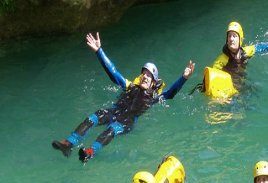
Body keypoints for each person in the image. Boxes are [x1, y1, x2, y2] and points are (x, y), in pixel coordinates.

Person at [52, 32, 195, 162]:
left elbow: (170, 93)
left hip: (126, 122)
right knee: (95, 116)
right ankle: (68, 144)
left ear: (153, 81)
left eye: (149, 75)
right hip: (114, 112)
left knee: (112, 129)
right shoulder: (129, 86)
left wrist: (184, 77)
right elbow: (113, 71)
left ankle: (89, 152)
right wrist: (99, 51)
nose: (145, 76)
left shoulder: (153, 97)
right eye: (143, 73)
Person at [212, 21, 268, 89]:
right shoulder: (221, 61)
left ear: (240, 40)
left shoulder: (246, 52)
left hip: (242, 83)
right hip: (230, 89)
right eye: (229, 36)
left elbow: (261, 47)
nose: (231, 39)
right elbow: (213, 78)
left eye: (234, 36)